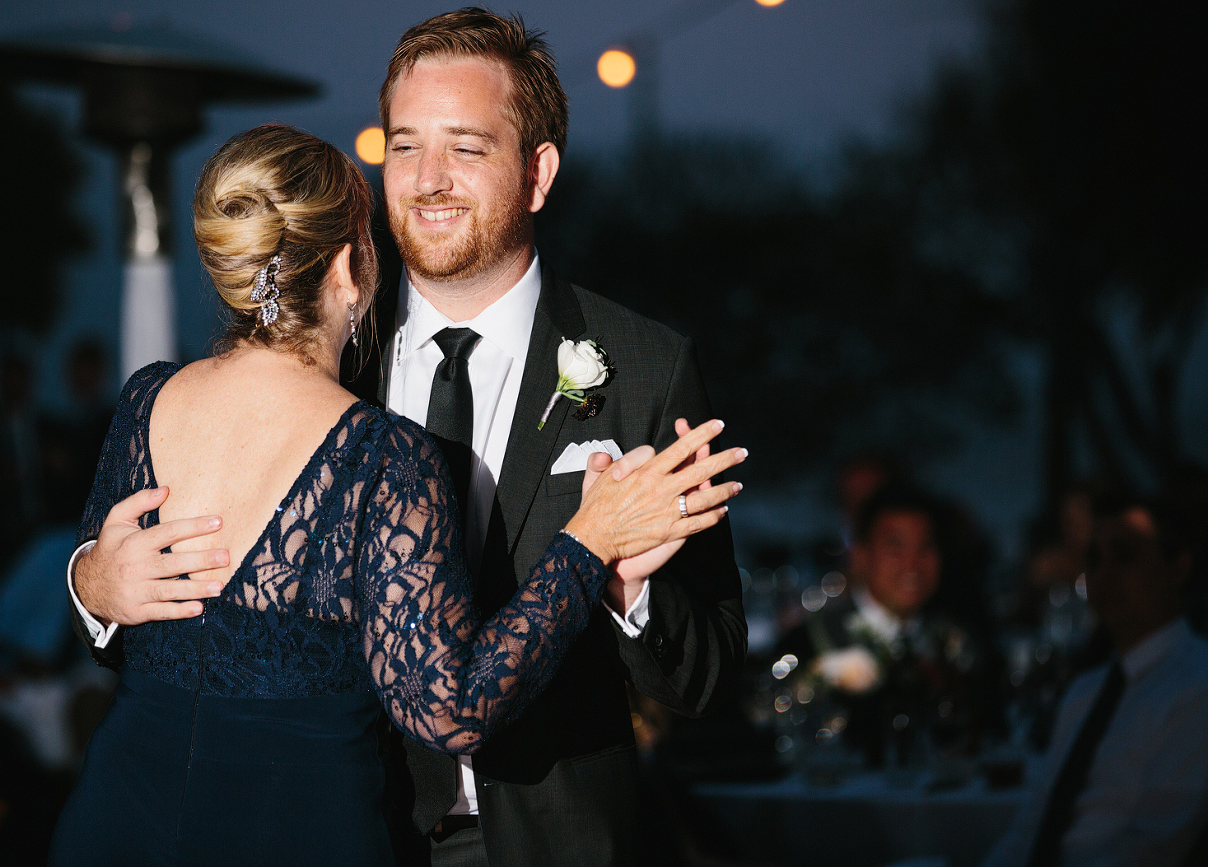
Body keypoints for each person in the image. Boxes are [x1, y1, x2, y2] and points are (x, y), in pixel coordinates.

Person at [68, 10, 748, 865]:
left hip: (554, 839)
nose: (428, 180)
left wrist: (630, 593)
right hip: (351, 825)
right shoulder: (317, 355)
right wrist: (91, 580)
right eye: (403, 145)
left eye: (465, 147)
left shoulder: (644, 366)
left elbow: (711, 674)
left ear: (536, 172)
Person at [981, 496, 1208, 867]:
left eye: (1125, 555)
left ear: (1178, 567)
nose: (1104, 574)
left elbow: (1154, 847)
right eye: (1094, 560)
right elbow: (1032, 825)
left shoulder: (1197, 685)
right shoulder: (1087, 691)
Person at [776, 484, 988, 765]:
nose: (912, 564)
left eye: (925, 547)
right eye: (895, 547)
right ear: (861, 556)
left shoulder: (957, 640)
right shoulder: (809, 642)